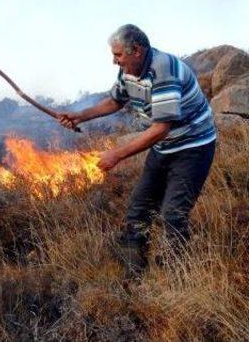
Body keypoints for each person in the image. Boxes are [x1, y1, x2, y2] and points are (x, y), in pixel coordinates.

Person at [58, 24, 216, 279]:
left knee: (173, 216)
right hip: (164, 148)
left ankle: (178, 277)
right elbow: (114, 101)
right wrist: (79, 116)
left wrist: (116, 154)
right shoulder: (129, 71)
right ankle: (135, 274)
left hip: (192, 147)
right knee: (138, 210)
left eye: (118, 55)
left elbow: (160, 129)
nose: (114, 61)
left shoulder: (163, 71)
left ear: (137, 51)